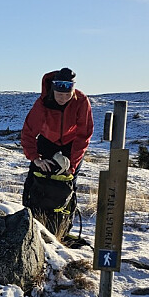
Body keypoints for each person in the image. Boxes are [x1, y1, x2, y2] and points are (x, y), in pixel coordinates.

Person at [20, 67, 94, 238]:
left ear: (73, 91)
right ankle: (30, 223)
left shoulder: (81, 101)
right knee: (34, 182)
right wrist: (35, 158)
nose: (62, 98)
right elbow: (28, 132)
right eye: (59, 94)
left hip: (71, 144)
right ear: (53, 90)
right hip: (47, 142)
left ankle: (62, 228)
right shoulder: (43, 102)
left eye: (67, 95)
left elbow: (84, 135)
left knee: (67, 185)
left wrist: (72, 165)